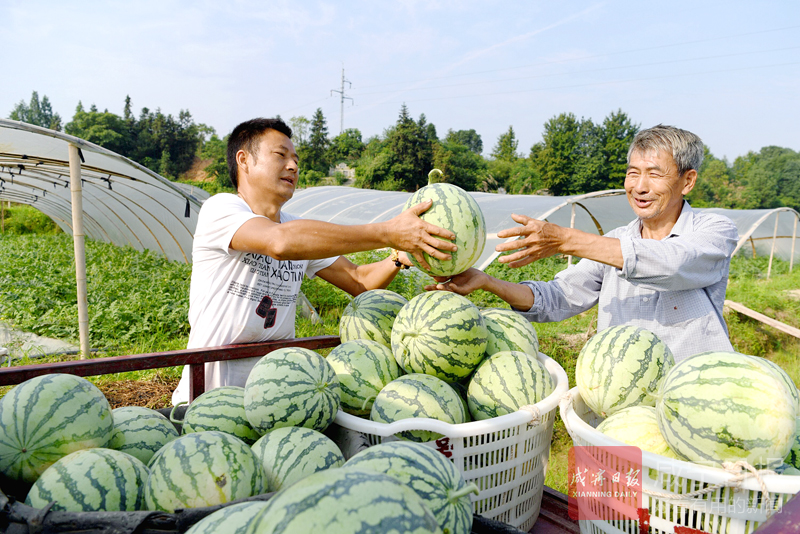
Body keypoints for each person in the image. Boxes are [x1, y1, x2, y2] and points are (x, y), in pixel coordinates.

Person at [172, 117, 456, 404]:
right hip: (210, 395)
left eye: (295, 160)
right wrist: (388, 232)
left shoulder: (296, 226)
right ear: (244, 161)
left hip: (278, 395)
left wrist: (399, 257)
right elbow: (279, 242)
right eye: (280, 156)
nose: (293, 166)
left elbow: (359, 280)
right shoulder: (221, 209)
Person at [428, 124, 739, 362]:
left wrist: (565, 239)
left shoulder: (714, 231)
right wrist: (486, 281)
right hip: (620, 403)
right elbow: (556, 298)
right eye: (633, 173)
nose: (640, 187)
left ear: (687, 181)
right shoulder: (615, 241)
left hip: (691, 397)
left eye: (654, 175)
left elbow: (673, 262)